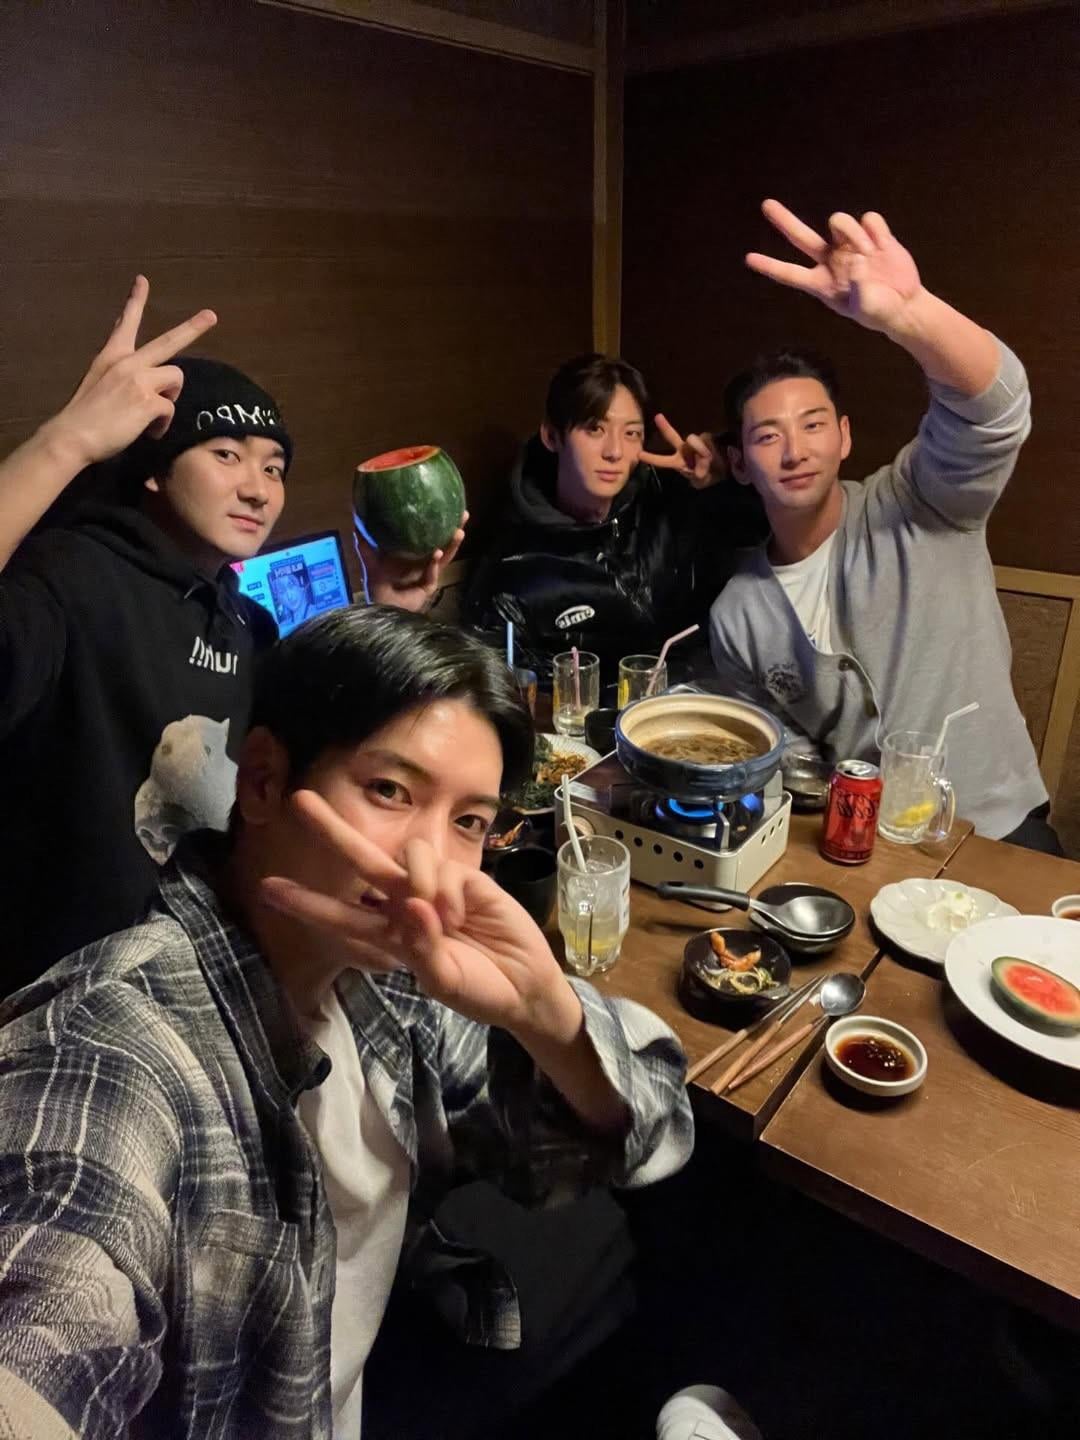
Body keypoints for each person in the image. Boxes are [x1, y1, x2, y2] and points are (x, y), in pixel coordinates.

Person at [0, 604, 693, 1439]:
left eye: (468, 822)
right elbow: (55, 1284)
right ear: (262, 780)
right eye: (389, 791)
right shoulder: (112, 1047)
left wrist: (546, 1014)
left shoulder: (383, 980)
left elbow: (648, 1133)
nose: (428, 866)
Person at [0, 277, 466, 990]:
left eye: (273, 467)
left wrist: (390, 608)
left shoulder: (246, 623)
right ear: (153, 472)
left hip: (210, 971)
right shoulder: (73, 580)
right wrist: (66, 442)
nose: (258, 488)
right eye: (225, 455)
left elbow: (320, 756)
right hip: (69, 1002)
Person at [709, 200, 1060, 851]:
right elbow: (781, 753)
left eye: (814, 424)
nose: (796, 450)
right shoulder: (739, 614)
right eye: (768, 435)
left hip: (997, 828)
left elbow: (995, 413)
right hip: (864, 847)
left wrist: (911, 315)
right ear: (739, 462)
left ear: (844, 437)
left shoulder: (918, 502)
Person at [464, 352, 755, 682]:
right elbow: (498, 686)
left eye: (631, 433)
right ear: (552, 436)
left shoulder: (669, 496)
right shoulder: (513, 567)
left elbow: (767, 535)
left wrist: (726, 478)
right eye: (595, 429)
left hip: (705, 694)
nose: (614, 452)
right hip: (597, 713)